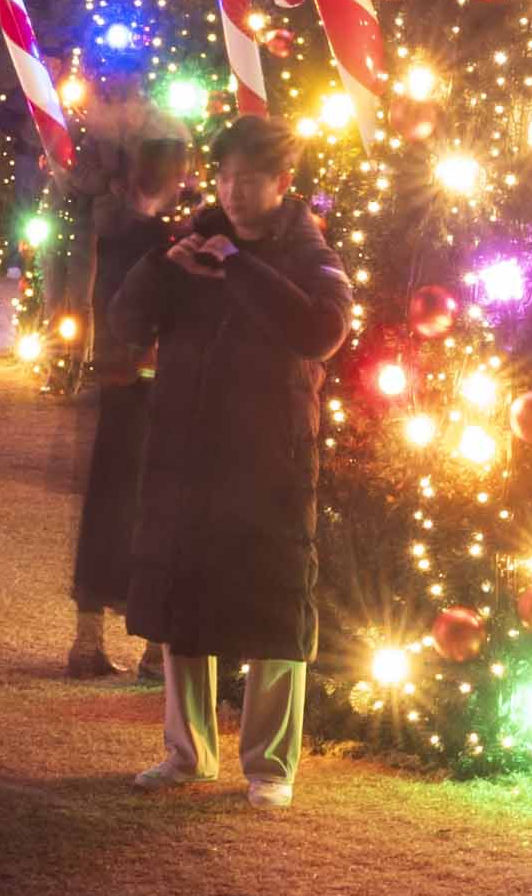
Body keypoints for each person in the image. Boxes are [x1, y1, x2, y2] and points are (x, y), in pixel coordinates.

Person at [104, 115, 353, 804]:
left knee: (273, 608)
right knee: (183, 599)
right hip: (186, 449)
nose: (233, 192)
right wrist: (163, 267)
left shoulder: (310, 253)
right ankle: (186, 753)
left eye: (249, 179)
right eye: (224, 178)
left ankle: (270, 767)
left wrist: (238, 267)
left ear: (283, 182)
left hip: (271, 457)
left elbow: (320, 331)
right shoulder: (190, 243)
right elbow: (125, 324)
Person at [66, 135, 191, 678]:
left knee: (108, 504)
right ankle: (153, 649)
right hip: (148, 385)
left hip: (119, 381)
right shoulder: (157, 240)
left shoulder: (113, 228)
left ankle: (89, 639)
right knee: (156, 508)